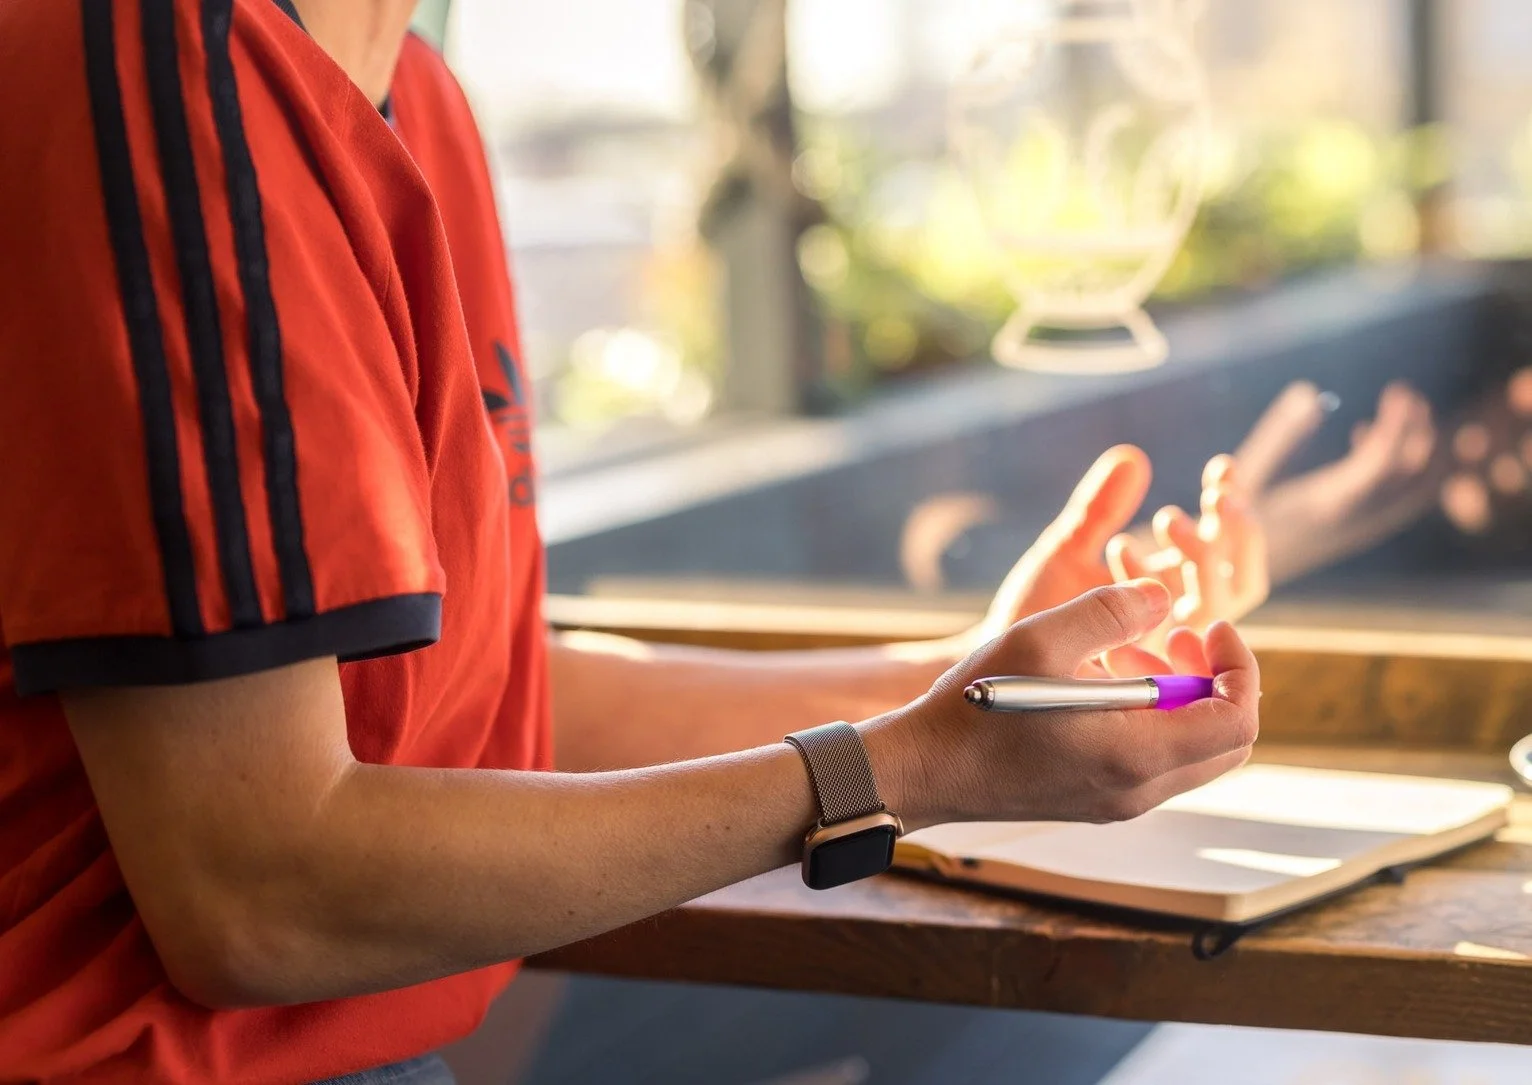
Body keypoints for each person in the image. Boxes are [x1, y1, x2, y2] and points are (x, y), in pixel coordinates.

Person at [0, 2, 1263, 1082]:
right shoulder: (144, 79)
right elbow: (259, 897)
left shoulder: (412, 100)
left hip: (385, 1032)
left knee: (1045, 1009)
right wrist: (894, 770)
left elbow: (486, 704)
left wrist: (964, 677)